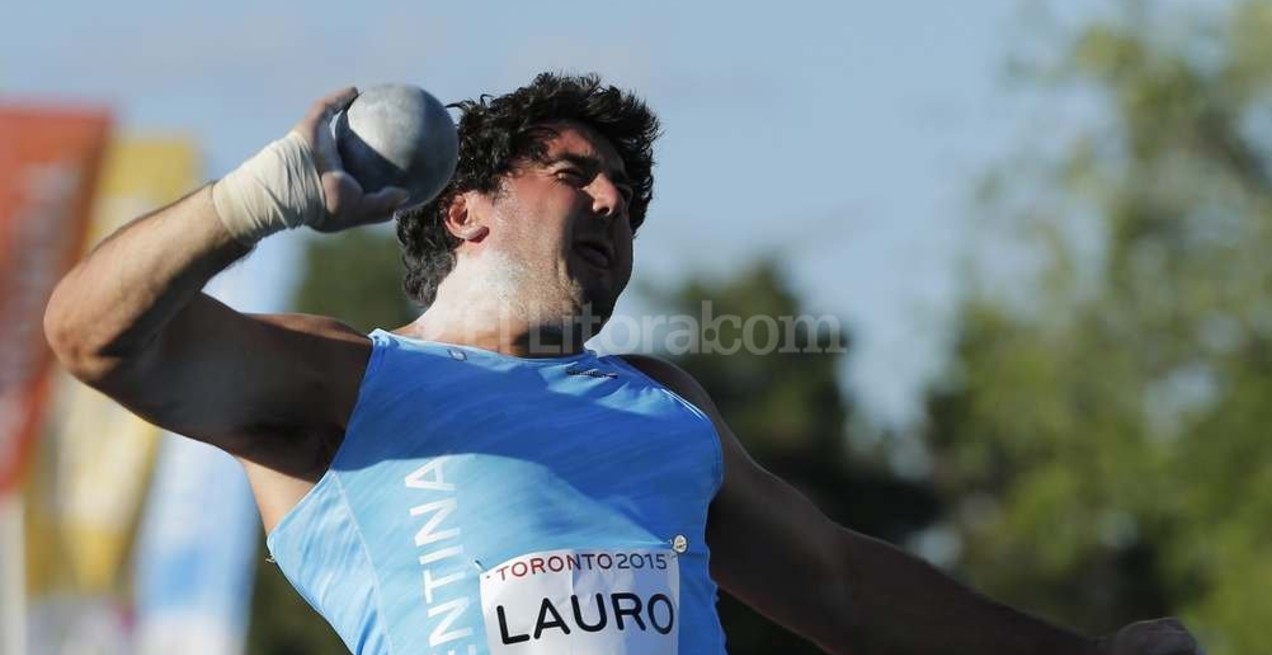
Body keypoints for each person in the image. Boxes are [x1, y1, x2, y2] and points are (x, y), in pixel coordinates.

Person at [44, 73, 1203, 655]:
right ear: (466, 209)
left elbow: (845, 587)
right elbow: (93, 334)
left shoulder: (658, 403)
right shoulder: (341, 385)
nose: (613, 200)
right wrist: (268, 196)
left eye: (631, 197)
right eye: (575, 170)